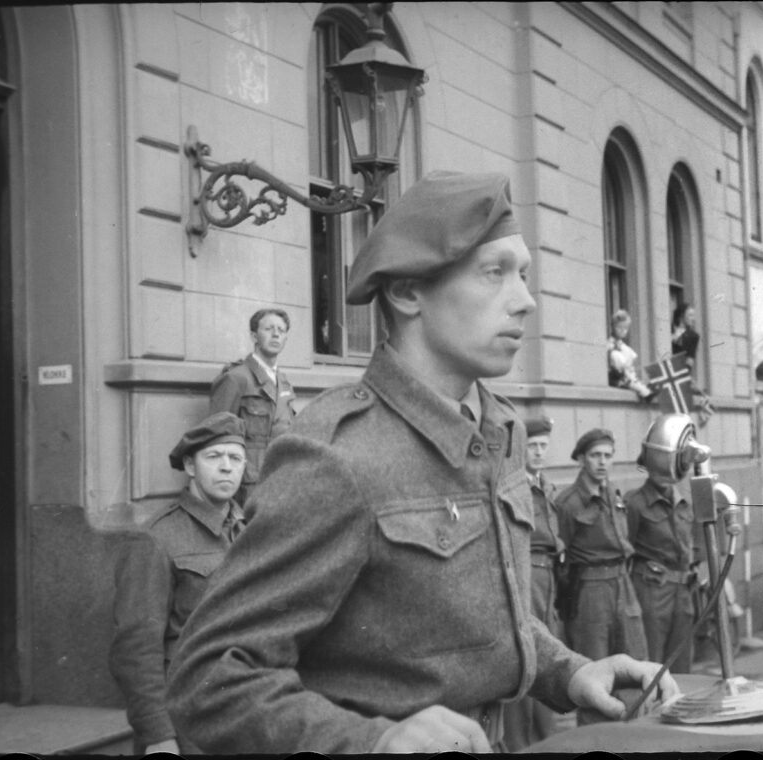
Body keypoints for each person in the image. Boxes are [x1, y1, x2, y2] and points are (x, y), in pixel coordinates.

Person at [165, 171, 676, 754]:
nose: (526, 299)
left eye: (524, 274)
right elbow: (209, 677)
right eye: (494, 273)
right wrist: (371, 742)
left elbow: (479, 612)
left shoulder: (499, 427)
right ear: (408, 292)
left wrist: (570, 672)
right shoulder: (337, 454)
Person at [108, 412, 248, 755]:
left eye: (236, 458)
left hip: (240, 710)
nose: (227, 467)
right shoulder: (156, 537)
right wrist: (158, 736)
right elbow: (136, 649)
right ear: (189, 466)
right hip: (184, 718)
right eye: (214, 457)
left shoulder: (248, 532)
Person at [555, 428, 649, 662]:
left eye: (608, 456)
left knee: (634, 655)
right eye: (595, 455)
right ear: (581, 459)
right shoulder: (569, 503)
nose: (602, 462)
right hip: (590, 590)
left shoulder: (614, 496)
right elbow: (560, 557)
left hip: (622, 584)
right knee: (595, 659)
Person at [501, 414, 565, 752]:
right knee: (527, 656)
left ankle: (547, 740)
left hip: (548, 577)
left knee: (548, 655)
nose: (538, 452)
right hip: (527, 576)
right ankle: (520, 744)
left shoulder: (547, 487)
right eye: (532, 446)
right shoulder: (516, 486)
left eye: (543, 446)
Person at [208, 307, 297, 503]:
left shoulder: (284, 383)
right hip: (248, 483)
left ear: (285, 340)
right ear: (254, 336)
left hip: (282, 478)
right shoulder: (236, 378)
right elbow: (217, 436)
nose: (276, 334)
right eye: (269, 329)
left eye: (281, 331)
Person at [625, 444, 699, 674]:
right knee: (652, 665)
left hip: (683, 592)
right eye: (661, 468)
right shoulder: (635, 503)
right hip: (652, 592)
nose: (667, 475)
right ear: (648, 468)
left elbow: (694, 548)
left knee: (682, 665)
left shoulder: (684, 503)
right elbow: (625, 553)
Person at [607, 310, 654, 400]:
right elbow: (616, 363)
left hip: (627, 375)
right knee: (630, 382)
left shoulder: (625, 347)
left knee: (635, 380)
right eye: (619, 327)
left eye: (625, 328)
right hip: (616, 377)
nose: (622, 331)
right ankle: (645, 393)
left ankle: (646, 390)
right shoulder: (610, 345)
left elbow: (630, 364)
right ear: (613, 327)